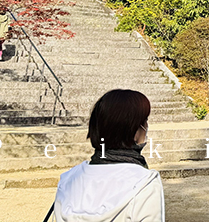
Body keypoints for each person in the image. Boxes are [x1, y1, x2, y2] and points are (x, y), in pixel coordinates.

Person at [53, 89, 163, 222]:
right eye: (145, 121)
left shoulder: (68, 180)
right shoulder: (146, 183)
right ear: (134, 130)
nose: (147, 127)